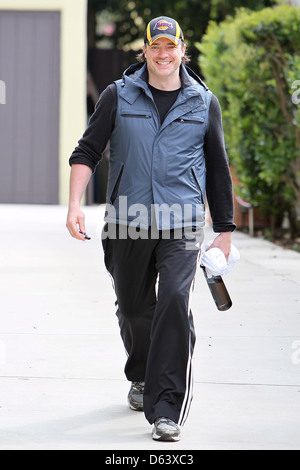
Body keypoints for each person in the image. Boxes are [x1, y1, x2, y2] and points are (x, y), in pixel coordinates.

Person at [66, 16, 236, 442]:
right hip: (129, 220)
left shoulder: (203, 102)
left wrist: (226, 229)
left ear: (183, 50)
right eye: (155, 47)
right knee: (134, 308)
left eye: (170, 47)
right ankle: (141, 373)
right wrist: (74, 205)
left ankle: (167, 407)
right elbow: (87, 150)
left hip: (183, 223)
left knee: (175, 302)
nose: (163, 55)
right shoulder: (118, 96)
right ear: (144, 50)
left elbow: (217, 166)